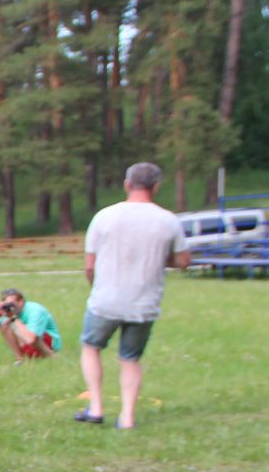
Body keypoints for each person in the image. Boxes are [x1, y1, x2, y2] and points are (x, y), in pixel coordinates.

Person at [77, 162, 190, 430]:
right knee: (130, 358)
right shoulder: (168, 220)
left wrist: (95, 286)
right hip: (144, 303)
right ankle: (127, 417)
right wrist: (161, 259)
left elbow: (90, 265)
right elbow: (184, 260)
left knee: (91, 347)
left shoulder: (104, 217)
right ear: (156, 187)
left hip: (105, 299)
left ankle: (96, 408)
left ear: (127, 184)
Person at [0, 287, 60, 363]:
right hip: (28, 344)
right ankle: (20, 359)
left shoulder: (35, 310)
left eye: (11, 304)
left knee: (20, 328)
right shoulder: (7, 312)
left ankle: (51, 357)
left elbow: (31, 339)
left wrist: (13, 318)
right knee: (4, 323)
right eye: (6, 304)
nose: (10, 307)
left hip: (48, 344)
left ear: (21, 301)